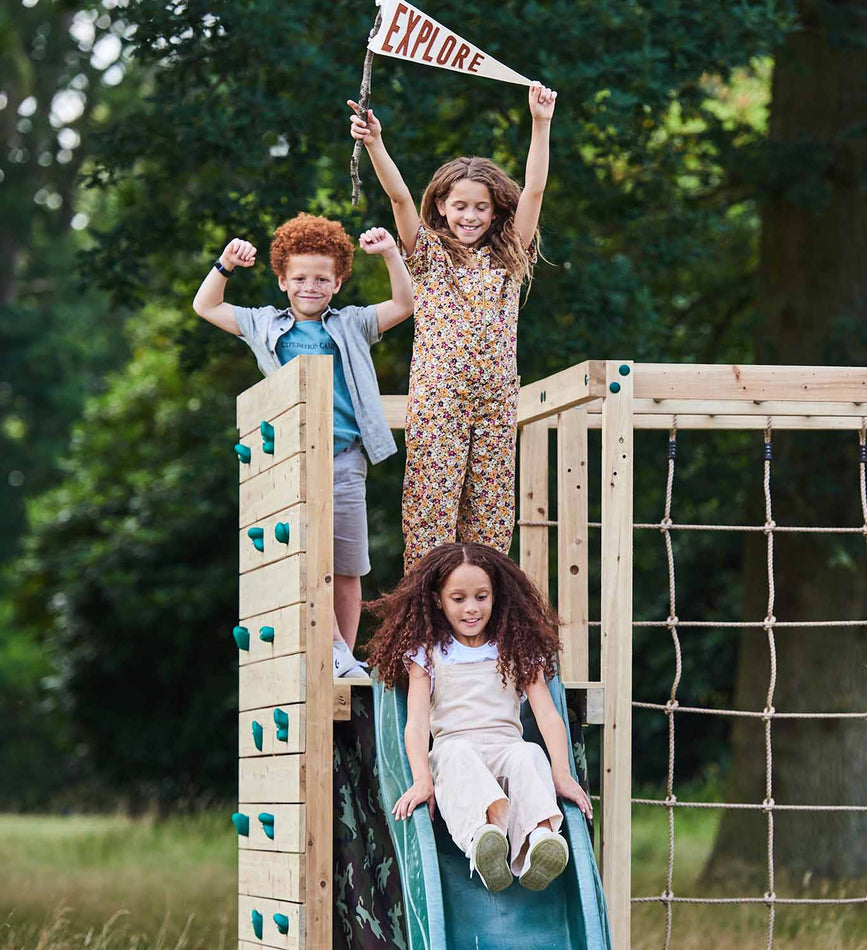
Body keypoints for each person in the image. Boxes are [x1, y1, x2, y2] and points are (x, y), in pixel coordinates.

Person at [193, 213, 413, 677]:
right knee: (312, 553)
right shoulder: (262, 325)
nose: (310, 286)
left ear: (337, 284)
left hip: (346, 458)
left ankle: (343, 658)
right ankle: (330, 644)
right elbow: (206, 307)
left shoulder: (353, 324)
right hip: (294, 459)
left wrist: (392, 253)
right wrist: (225, 265)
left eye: (321, 278)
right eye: (299, 278)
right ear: (281, 281)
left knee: (350, 565)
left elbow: (403, 303)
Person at [349, 82, 557, 569]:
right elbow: (400, 199)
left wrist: (541, 124)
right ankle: (425, 627)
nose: (470, 216)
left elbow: (536, 189)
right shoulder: (428, 253)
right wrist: (375, 143)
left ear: (494, 210)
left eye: (481, 207)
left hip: (495, 398)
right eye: (460, 206)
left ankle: (483, 622)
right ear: (441, 206)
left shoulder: (507, 257)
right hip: (440, 396)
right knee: (430, 513)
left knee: (490, 515)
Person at [366, 542, 591, 893]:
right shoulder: (427, 653)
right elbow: (417, 723)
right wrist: (422, 780)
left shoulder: (515, 647)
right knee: (457, 757)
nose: (471, 608)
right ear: (439, 600)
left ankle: (539, 843)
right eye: (459, 599)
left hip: (505, 745)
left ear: (496, 596)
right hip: (454, 747)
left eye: (481, 597)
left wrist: (561, 772)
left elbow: (547, 715)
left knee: (529, 755)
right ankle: (484, 840)